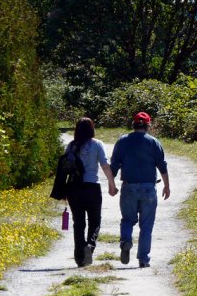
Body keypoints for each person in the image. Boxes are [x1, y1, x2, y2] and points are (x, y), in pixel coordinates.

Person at [109, 112, 170, 268]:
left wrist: (111, 183)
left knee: (127, 219)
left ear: (134, 125)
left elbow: (114, 165)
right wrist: (166, 185)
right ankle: (143, 259)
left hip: (129, 186)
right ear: (148, 125)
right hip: (149, 188)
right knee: (146, 225)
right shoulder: (154, 142)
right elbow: (162, 166)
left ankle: (126, 240)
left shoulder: (122, 141)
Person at [66, 117, 116, 267]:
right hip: (92, 187)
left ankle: (79, 256)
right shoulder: (97, 144)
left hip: (75, 188)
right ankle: (90, 245)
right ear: (92, 129)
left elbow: (65, 169)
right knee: (95, 221)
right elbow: (105, 166)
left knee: (78, 223)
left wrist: (63, 189)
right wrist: (111, 184)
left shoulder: (71, 146)